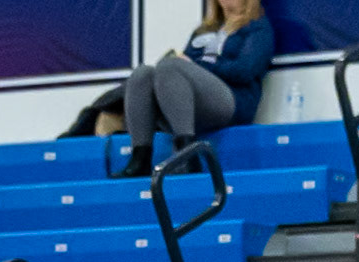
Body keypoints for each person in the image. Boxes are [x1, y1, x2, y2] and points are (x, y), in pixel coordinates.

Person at [116, 0, 275, 178]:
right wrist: (189, 64)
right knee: (142, 73)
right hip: (195, 103)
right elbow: (184, 66)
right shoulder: (204, 29)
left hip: (233, 100)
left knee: (170, 66)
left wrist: (202, 65)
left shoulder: (257, 28)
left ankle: (187, 154)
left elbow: (245, 70)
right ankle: (140, 158)